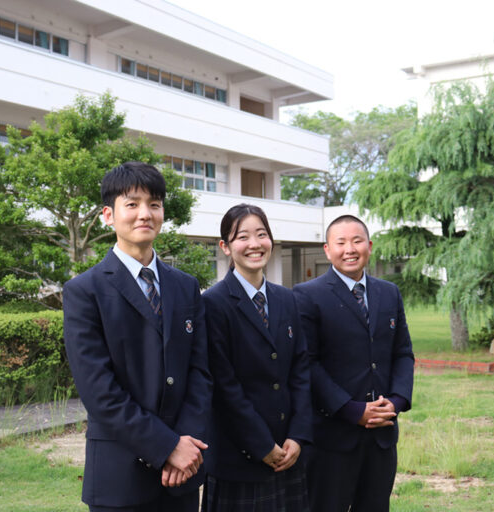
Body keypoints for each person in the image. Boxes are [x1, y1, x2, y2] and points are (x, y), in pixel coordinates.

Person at [63, 161, 212, 512]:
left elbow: (201, 373)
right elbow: (99, 391)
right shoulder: (85, 291)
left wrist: (184, 448)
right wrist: (166, 446)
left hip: (183, 473)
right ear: (108, 215)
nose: (145, 214)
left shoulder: (185, 286)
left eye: (154, 204)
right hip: (120, 475)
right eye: (132, 204)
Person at [293, 214, 414, 512]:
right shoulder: (307, 296)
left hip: (382, 435)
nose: (350, 249)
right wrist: (351, 410)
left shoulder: (389, 292)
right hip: (332, 436)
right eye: (341, 242)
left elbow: (402, 352)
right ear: (327, 249)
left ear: (369, 246)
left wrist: (396, 402)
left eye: (357, 241)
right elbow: (308, 363)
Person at [201, 203, 312, 512]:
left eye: (261, 234)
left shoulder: (286, 298)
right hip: (239, 457)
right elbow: (224, 387)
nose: (254, 244)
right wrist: (262, 446)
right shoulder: (213, 304)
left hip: (289, 452)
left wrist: (299, 435)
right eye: (242, 237)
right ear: (225, 246)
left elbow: (300, 371)